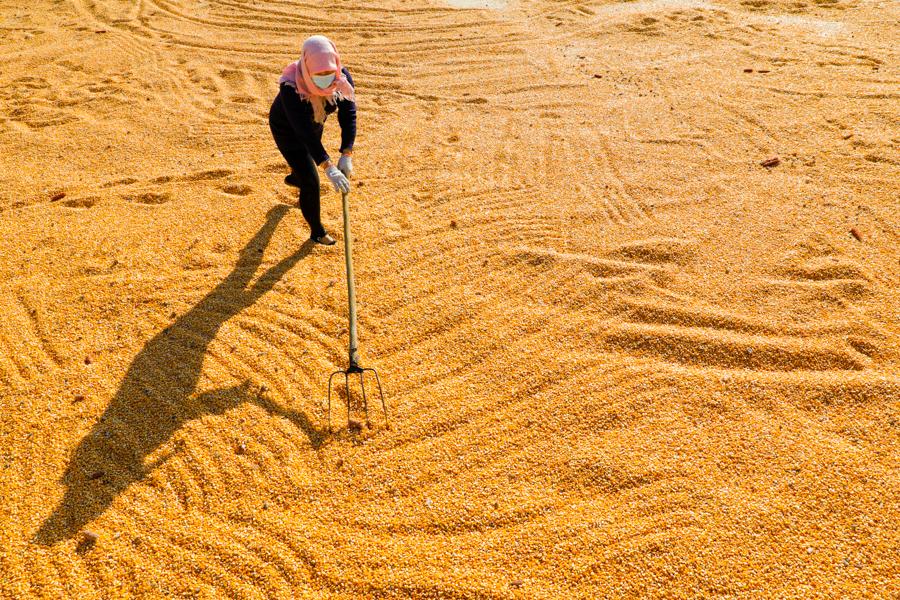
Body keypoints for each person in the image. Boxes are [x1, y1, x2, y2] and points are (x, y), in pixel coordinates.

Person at [269, 35, 356, 245]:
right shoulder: (290, 88)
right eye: (319, 74)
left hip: (315, 122)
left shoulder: (341, 78)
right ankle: (317, 232)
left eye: (328, 72)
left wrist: (346, 153)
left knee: (305, 167)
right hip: (287, 130)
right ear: (307, 67)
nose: (325, 78)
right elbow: (303, 132)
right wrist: (328, 167)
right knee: (311, 180)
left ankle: (296, 176)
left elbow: (348, 114)